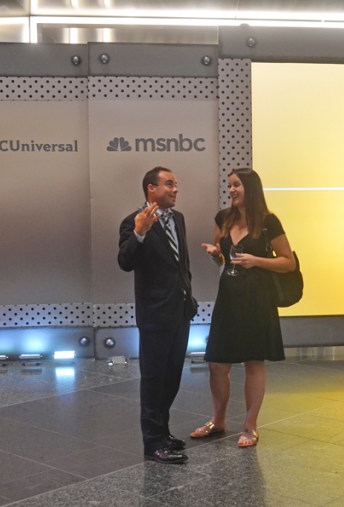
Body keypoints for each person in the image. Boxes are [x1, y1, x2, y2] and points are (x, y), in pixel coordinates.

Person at [192, 168, 296, 447]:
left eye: (236, 184)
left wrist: (256, 260)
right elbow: (223, 259)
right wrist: (216, 255)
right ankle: (217, 420)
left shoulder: (268, 222)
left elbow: (288, 262)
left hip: (257, 299)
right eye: (229, 185)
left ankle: (250, 426)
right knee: (217, 363)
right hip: (229, 297)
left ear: (251, 187)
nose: (231, 190)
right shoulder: (223, 218)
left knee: (253, 362)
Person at [118, 166, 197, 464]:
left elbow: (180, 263)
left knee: (171, 377)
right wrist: (140, 232)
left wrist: (188, 294)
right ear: (151, 189)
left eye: (176, 184)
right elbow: (125, 261)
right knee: (153, 380)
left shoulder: (178, 219)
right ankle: (152, 443)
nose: (175, 189)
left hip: (180, 311)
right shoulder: (133, 222)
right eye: (169, 184)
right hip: (154, 314)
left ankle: (162, 432)